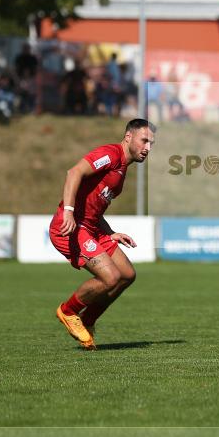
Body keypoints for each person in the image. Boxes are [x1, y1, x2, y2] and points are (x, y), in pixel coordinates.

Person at [49, 119, 156, 350]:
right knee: (110, 277)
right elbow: (74, 172)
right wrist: (68, 212)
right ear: (128, 137)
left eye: (151, 143)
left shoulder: (122, 169)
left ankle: (87, 321)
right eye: (144, 140)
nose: (148, 148)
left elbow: (95, 210)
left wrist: (111, 233)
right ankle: (68, 311)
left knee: (127, 274)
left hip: (92, 228)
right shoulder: (110, 154)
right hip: (71, 227)